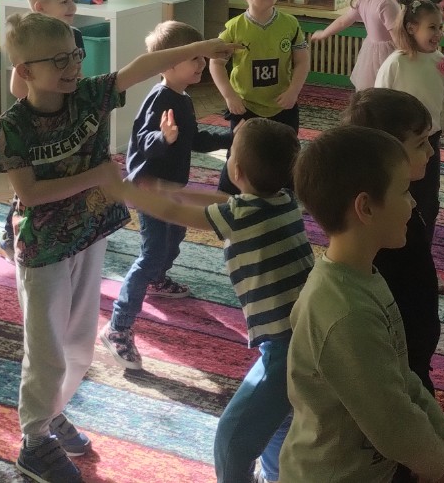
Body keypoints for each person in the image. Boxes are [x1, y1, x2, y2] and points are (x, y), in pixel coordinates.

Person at [0, 11, 234, 483]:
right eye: (58, 60)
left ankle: (52, 412)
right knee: (46, 351)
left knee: (80, 348)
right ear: (25, 71)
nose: (72, 66)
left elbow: (143, 66)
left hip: (90, 233)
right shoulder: (12, 126)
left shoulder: (90, 95)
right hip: (42, 249)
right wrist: (98, 176)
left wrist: (201, 48)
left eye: (75, 55)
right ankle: (34, 440)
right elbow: (31, 193)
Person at [103, 118, 314, 483]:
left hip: (284, 348)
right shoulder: (282, 201)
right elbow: (224, 201)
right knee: (278, 418)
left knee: (232, 438)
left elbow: (177, 214)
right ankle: (278, 475)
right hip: (306, 334)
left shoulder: (240, 216)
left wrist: (124, 190)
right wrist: (170, 190)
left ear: (236, 170)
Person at [282, 126, 444, 483]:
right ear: (365, 207)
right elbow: (392, 424)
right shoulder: (347, 314)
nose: (413, 203)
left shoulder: (364, 276)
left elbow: (400, 375)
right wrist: (439, 463)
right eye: (404, 191)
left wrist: (443, 435)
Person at [100, 20, 208, 373]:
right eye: (194, 58)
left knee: (174, 238)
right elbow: (141, 142)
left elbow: (194, 138)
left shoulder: (183, 99)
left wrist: (233, 137)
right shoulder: (160, 98)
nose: (202, 63)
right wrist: (164, 138)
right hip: (149, 189)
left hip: (172, 188)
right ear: (168, 64)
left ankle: (158, 279)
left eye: (201, 56)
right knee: (152, 254)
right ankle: (117, 326)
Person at [341, 88, 441, 392]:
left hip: (414, 349)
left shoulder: (401, 197)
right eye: (420, 143)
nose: (431, 152)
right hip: (399, 359)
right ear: (385, 153)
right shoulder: (380, 218)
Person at [0, 0, 87, 261]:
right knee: (30, 185)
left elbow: (77, 77)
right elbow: (18, 90)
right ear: (40, 8)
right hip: (37, 125)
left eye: (73, 0)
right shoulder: (29, 43)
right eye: (64, 2)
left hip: (65, 119)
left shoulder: (74, 35)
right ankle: (9, 237)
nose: (73, 7)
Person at [210, 0, 310, 194]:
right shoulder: (234, 28)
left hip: (282, 105)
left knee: (286, 153)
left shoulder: (290, 24)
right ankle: (227, 196)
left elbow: (302, 61)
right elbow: (216, 63)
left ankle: (286, 195)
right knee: (240, 152)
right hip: (246, 106)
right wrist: (230, 96)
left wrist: (293, 91)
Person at [375, 0, 444, 249]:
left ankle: (423, 247)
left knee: (428, 199)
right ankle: (394, 241)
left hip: (429, 142)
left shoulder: (443, 63)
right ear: (412, 28)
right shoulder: (395, 63)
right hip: (398, 143)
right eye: (432, 27)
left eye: (441, 27)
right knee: (397, 193)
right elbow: (378, 102)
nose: (439, 33)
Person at [310, 0, 401, 91]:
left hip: (371, 53)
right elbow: (397, 37)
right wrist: (411, 55)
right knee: (387, 90)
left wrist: (324, 33)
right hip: (387, 55)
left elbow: (344, 21)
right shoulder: (385, 4)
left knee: (371, 92)